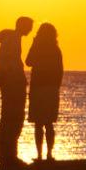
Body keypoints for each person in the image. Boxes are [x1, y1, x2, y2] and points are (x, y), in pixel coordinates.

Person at [0, 15, 33, 166]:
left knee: (9, 118)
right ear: (22, 25)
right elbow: (9, 62)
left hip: (10, 84)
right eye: (29, 26)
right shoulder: (14, 39)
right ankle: (9, 157)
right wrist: (16, 77)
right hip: (12, 85)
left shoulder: (12, 38)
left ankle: (7, 155)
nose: (30, 30)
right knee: (13, 118)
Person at [26, 22, 64, 162]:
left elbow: (28, 61)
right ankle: (48, 154)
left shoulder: (38, 48)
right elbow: (60, 71)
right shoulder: (56, 49)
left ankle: (40, 155)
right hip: (51, 89)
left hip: (38, 88)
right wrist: (56, 87)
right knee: (48, 123)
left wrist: (34, 44)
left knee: (38, 123)